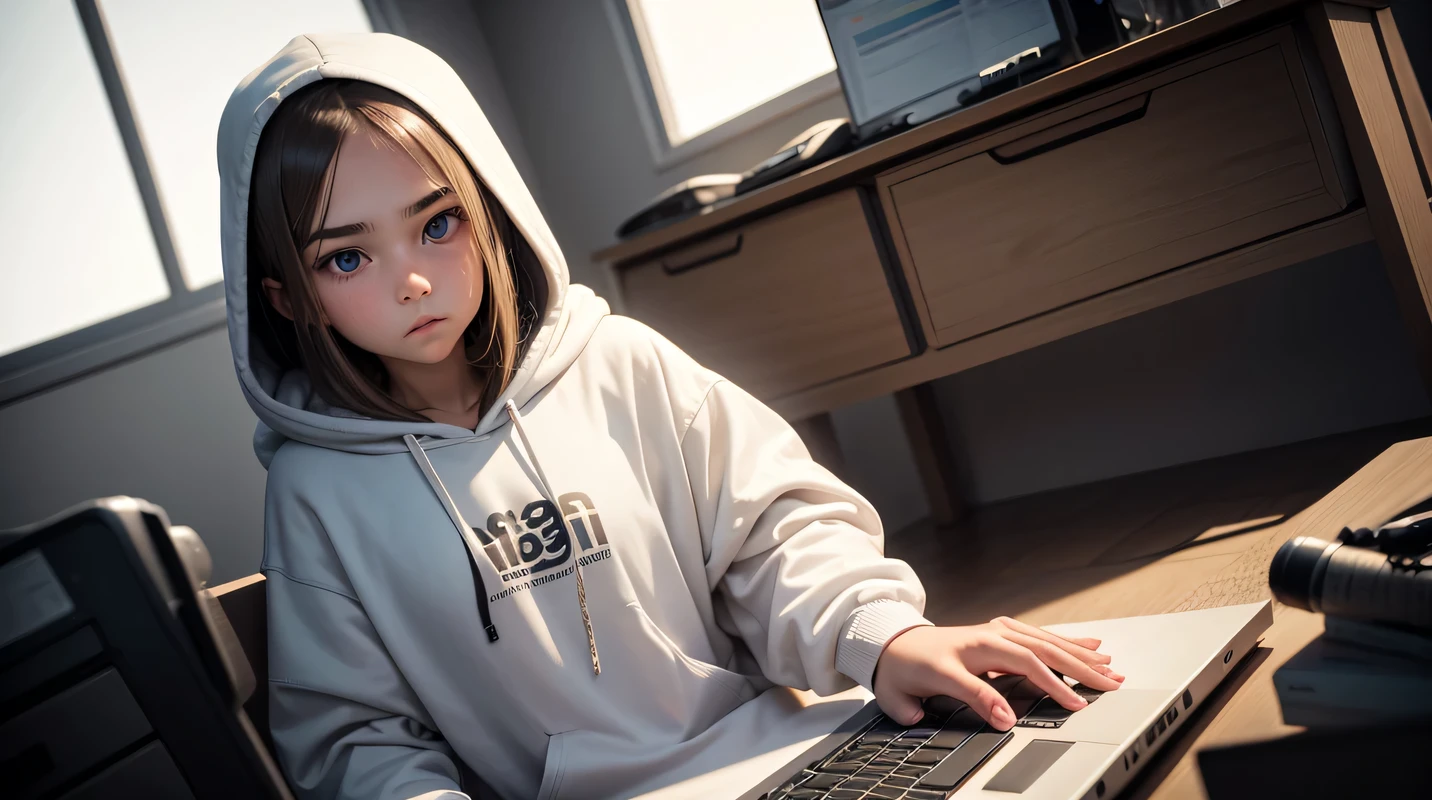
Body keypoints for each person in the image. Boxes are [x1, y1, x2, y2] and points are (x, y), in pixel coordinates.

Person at [217, 32, 1123, 800]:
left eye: (438, 224)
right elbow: (355, 737)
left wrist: (883, 634)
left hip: (789, 760)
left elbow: (772, 530)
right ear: (290, 301)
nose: (411, 278)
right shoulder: (315, 490)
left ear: (489, 212)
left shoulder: (617, 361)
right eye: (346, 259)